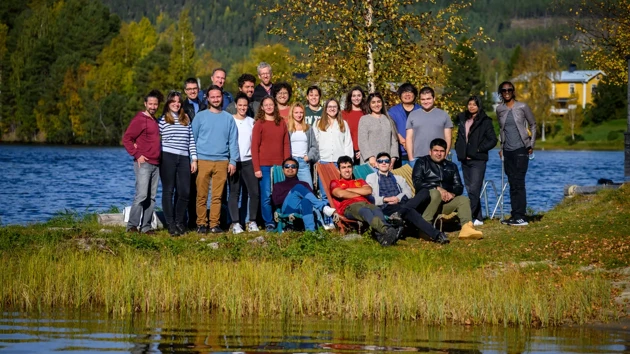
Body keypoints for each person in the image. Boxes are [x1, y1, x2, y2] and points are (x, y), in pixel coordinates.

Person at [366, 152, 449, 244]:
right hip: (387, 206)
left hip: (402, 203)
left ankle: (400, 213)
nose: (383, 163)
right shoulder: (371, 178)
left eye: (386, 161)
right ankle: (438, 235)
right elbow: (370, 197)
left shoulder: (399, 178)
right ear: (377, 164)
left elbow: (408, 193)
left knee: (425, 191)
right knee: (410, 210)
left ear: (390, 164)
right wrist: (386, 199)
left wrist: (398, 198)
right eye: (380, 161)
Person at [412, 138, 483, 240]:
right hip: (426, 203)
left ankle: (467, 228)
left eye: (442, 151)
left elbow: (459, 186)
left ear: (445, 152)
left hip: (444, 204)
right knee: (435, 193)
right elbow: (417, 183)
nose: (439, 154)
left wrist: (452, 194)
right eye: (436, 151)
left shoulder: (451, 166)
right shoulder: (422, 163)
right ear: (430, 151)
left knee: (463, 200)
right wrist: (437, 188)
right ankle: (425, 228)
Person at [191, 85, 239, 234]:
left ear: (222, 97)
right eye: (213, 97)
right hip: (203, 160)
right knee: (201, 195)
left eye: (218, 97)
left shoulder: (228, 118)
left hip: (222, 161)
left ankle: (214, 224)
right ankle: (201, 224)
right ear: (207, 98)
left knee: (217, 196)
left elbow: (233, 141)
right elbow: (192, 138)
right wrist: (193, 159)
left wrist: (233, 161)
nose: (216, 99)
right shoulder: (200, 116)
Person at [330, 155, 400, 246]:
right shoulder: (335, 182)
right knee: (366, 212)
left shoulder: (360, 181)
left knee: (376, 209)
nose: (347, 170)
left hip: (365, 203)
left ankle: (383, 239)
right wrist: (360, 193)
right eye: (343, 167)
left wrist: (348, 190)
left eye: (349, 167)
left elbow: (368, 190)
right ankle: (387, 230)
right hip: (349, 207)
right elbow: (340, 194)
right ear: (338, 170)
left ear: (352, 168)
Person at [122, 89, 163, 234]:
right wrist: (137, 154)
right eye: (150, 104)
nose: (153, 107)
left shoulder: (155, 121)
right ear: (145, 104)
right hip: (144, 164)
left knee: (151, 198)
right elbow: (127, 139)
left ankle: (146, 227)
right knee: (141, 195)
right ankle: (132, 226)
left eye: (155, 104)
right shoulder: (140, 119)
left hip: (156, 164)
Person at [496, 81, 536, 226]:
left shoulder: (522, 107)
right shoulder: (499, 109)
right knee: (512, 183)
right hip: (507, 151)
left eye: (509, 90)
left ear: (513, 91)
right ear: (500, 93)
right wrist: (501, 147)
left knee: (519, 183)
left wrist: (531, 144)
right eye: (504, 90)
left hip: (521, 150)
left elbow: (533, 124)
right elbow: (501, 129)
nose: (507, 92)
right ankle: (514, 215)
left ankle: (521, 217)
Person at [158, 91, 198, 236]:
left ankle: (180, 222)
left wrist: (194, 159)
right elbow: (153, 137)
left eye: (178, 101)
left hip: (184, 158)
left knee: (184, 192)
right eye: (173, 101)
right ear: (168, 103)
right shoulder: (162, 120)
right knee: (169, 191)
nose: (176, 104)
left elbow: (191, 140)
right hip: (168, 156)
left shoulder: (185, 119)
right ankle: (171, 224)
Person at [454, 96, 498, 226]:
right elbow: (460, 137)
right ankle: (478, 218)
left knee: (474, 188)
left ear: (479, 106)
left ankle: (466, 218)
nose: (471, 106)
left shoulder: (485, 121)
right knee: (470, 189)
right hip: (464, 159)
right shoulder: (463, 119)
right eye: (469, 104)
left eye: (474, 104)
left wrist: (479, 149)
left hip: (478, 160)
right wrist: (458, 148)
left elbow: (493, 140)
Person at [252, 96, 291, 232]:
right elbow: (254, 147)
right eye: (266, 105)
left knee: (281, 194)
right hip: (264, 166)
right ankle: (269, 222)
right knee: (267, 195)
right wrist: (257, 168)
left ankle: (283, 220)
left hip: (280, 166)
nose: (269, 107)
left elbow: (286, 144)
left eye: (271, 104)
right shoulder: (259, 124)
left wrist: (287, 164)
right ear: (262, 107)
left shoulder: (281, 122)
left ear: (274, 106)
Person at [271, 157, 336, 231]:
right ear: (283, 169)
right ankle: (323, 207)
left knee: (306, 201)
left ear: (297, 170)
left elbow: (312, 199)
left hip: (303, 208)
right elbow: (276, 201)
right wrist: (292, 193)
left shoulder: (304, 184)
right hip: (288, 208)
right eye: (287, 166)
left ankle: (311, 232)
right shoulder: (279, 185)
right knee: (298, 188)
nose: (290, 168)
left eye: (293, 166)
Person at [227, 92, 260, 234]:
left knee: (254, 192)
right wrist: (230, 160)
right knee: (234, 193)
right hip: (234, 162)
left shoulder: (252, 122)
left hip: (248, 161)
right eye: (240, 105)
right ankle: (235, 223)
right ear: (235, 105)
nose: (242, 108)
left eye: (245, 105)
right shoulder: (230, 120)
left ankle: (251, 221)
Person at [182, 78, 207, 229]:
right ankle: (189, 220)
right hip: (186, 151)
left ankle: (200, 220)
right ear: (185, 91)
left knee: (201, 188)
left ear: (198, 89)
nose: (192, 91)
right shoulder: (182, 107)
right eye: (189, 89)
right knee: (187, 188)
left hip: (203, 150)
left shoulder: (205, 105)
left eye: (194, 88)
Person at [405, 86, 453, 162]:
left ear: (434, 99)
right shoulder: (413, 115)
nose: (426, 102)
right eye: (423, 99)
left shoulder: (444, 115)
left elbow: (448, 138)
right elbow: (409, 138)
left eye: (428, 99)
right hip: (418, 158)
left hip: (438, 158)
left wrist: (444, 156)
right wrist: (411, 158)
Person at [358, 92, 399, 168]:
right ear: (369, 104)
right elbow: (362, 141)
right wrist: (370, 157)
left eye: (378, 102)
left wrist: (392, 159)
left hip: (386, 163)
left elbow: (394, 141)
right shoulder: (364, 119)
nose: (376, 105)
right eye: (373, 102)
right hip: (370, 162)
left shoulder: (389, 119)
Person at [313, 99, 353, 165]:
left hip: (340, 161)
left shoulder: (343, 123)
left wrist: (348, 160)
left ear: (338, 109)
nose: (332, 109)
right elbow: (315, 143)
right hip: (322, 160)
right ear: (326, 109)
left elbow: (347, 143)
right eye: (330, 107)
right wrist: (317, 159)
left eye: (334, 107)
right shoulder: (318, 123)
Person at [287, 102, 318, 188]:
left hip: (303, 162)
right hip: (291, 163)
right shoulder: (287, 128)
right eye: (296, 112)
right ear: (292, 113)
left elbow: (314, 146)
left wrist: (308, 157)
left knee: (308, 189)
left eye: (301, 112)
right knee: (291, 190)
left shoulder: (308, 128)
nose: (299, 115)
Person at [388, 83, 420, 165]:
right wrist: (403, 142)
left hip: (418, 152)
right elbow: (390, 128)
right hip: (400, 153)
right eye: (404, 92)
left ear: (415, 94)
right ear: (400, 95)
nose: (407, 94)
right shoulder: (393, 111)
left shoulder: (421, 110)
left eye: (410, 92)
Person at [341, 86, 366, 165]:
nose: (356, 98)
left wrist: (363, 150)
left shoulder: (367, 114)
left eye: (359, 95)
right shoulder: (343, 114)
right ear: (350, 98)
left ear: (362, 97)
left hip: (363, 151)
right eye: (354, 96)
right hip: (347, 151)